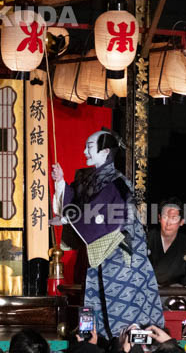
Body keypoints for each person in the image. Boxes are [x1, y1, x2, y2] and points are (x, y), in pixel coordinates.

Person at [51, 129, 164, 339]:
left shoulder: (117, 183)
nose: (84, 151)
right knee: (97, 301)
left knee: (125, 305)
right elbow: (76, 201)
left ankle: (131, 349)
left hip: (122, 254)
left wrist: (69, 218)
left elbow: (104, 211)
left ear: (105, 151)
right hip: (101, 252)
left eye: (89, 147)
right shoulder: (90, 178)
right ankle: (99, 343)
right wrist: (60, 181)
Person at [146, 197, 186, 287]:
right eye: (165, 217)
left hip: (179, 295)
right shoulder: (146, 240)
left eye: (173, 218)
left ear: (181, 221)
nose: (168, 223)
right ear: (159, 218)